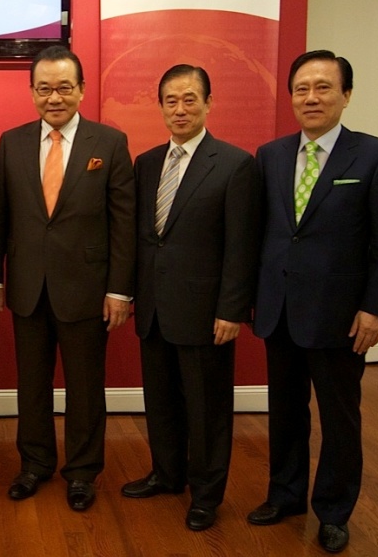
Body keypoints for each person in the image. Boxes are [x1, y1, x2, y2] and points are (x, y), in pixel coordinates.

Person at [248, 50, 378, 554]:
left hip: (341, 316)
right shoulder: (270, 155)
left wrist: (376, 308)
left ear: (346, 95)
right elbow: (266, 235)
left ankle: (334, 511)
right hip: (280, 308)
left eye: (322, 87)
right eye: (301, 88)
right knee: (285, 411)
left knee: (340, 418)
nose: (310, 97)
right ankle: (286, 495)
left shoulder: (377, 156)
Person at [0, 45, 135, 512]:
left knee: (85, 386)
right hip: (28, 287)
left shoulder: (109, 143)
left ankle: (83, 472)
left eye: (64, 88)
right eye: (45, 88)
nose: (55, 97)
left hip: (87, 289)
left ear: (82, 90)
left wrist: (118, 289)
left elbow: (123, 224)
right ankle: (34, 464)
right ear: (32, 92)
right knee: (31, 384)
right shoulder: (10, 142)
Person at [120, 65, 259, 531]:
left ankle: (206, 493)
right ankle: (167, 473)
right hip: (155, 307)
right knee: (160, 401)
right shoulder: (147, 163)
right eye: (170, 100)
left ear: (208, 103)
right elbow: (145, 237)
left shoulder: (236, 164)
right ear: (160, 106)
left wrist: (231, 309)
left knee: (206, 409)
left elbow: (242, 246)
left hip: (206, 313)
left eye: (189, 99)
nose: (180, 108)